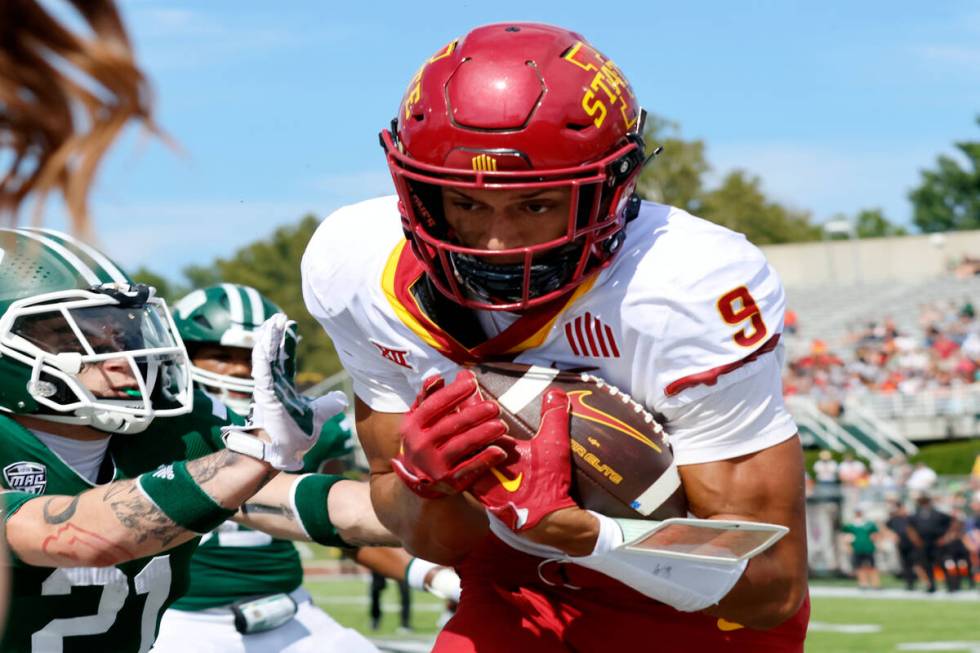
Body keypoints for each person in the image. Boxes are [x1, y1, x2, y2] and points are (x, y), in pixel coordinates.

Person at [302, 22, 808, 652]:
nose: (496, 241)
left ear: (614, 189)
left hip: (692, 622)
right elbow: (432, 539)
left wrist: (592, 535)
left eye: (537, 205)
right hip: (510, 593)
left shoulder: (689, 286)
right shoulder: (355, 268)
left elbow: (771, 588)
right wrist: (426, 487)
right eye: (466, 203)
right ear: (418, 192)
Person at [0, 229, 395, 652]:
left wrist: (424, 500)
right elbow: (75, 534)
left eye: (121, 334)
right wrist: (255, 452)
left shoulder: (171, 427)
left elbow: (292, 501)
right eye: (73, 338)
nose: (121, 358)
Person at [908, 494, 953, 593]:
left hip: (936, 542)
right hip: (923, 543)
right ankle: (931, 585)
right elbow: (910, 528)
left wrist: (945, 538)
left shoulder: (938, 514)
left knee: (941, 563)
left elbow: (951, 524)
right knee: (926, 565)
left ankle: (950, 585)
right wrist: (915, 539)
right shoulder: (916, 515)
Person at [840, 508, 880, 589]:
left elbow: (875, 534)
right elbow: (845, 535)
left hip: (868, 548)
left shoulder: (869, 524)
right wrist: (848, 546)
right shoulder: (851, 525)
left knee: (872, 566)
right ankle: (863, 583)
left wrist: (876, 542)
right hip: (857, 548)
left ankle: (875, 583)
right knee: (859, 567)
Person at [884, 501, 919, 590]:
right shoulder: (895, 519)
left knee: (917, 564)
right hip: (902, 544)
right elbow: (886, 527)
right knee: (906, 565)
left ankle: (926, 582)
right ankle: (909, 584)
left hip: (913, 544)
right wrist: (892, 535)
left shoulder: (910, 518)